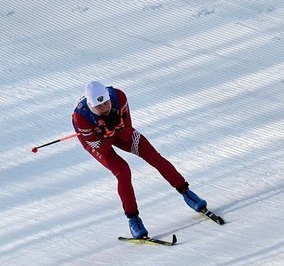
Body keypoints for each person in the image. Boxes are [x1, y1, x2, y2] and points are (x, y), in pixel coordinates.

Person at [72, 80, 220, 238]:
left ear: (108, 97)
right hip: (99, 142)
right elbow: (102, 149)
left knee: (154, 156)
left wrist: (118, 126)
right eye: (98, 107)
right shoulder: (80, 118)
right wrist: (107, 133)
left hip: (118, 132)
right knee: (123, 172)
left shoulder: (119, 97)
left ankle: (187, 193)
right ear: (90, 105)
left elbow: (127, 134)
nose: (104, 109)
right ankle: (133, 219)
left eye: (106, 104)